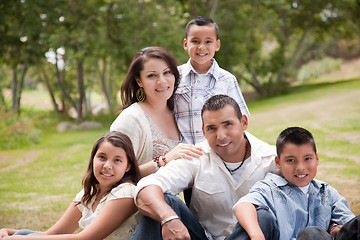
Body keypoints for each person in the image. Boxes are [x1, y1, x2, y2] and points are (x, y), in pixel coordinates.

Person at [130, 95, 279, 240]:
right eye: (212, 128)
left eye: (228, 124)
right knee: (164, 203)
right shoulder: (196, 156)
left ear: (244, 122)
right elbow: (146, 187)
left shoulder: (273, 159)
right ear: (203, 131)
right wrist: (168, 218)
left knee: (262, 216)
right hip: (204, 236)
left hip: (252, 235)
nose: (221, 136)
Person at [0, 131, 141, 240]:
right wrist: (9, 232)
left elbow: (86, 238)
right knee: (23, 233)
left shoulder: (125, 193)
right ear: (93, 159)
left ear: (128, 166)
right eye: (102, 157)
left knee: (27, 237)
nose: (107, 166)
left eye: (117, 160)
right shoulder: (90, 193)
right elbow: (53, 233)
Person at [233, 126, 356, 240]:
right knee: (261, 217)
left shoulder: (326, 192)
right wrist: (256, 236)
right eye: (291, 160)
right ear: (278, 162)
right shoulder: (270, 187)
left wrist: (335, 229)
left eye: (307, 158)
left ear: (316, 159)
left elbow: (351, 224)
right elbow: (243, 205)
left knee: (314, 234)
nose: (300, 167)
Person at [110, 46, 203, 178]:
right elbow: (114, 174)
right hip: (136, 196)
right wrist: (164, 160)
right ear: (139, 81)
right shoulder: (131, 120)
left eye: (167, 73)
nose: (162, 81)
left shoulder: (178, 112)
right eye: (152, 75)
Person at [174, 16, 250, 145]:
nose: (201, 47)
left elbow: (240, 120)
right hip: (183, 154)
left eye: (208, 41)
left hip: (217, 153)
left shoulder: (227, 80)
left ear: (217, 45)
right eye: (195, 41)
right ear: (186, 44)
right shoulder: (174, 76)